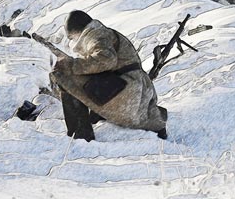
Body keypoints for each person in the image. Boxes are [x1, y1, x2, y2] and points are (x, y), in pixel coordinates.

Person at [49, 10, 168, 141]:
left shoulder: (95, 35)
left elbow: (106, 60)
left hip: (126, 91)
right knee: (83, 79)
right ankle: (97, 116)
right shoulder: (103, 33)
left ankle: (81, 136)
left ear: (77, 31)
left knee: (63, 76)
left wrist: (71, 65)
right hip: (135, 90)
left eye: (72, 37)